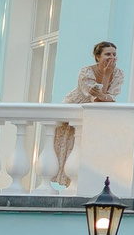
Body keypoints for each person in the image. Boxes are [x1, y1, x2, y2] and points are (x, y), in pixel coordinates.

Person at [50, 39, 119, 184]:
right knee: (70, 147)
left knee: (89, 150)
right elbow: (97, 99)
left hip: (96, 116)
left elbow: (108, 97)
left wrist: (104, 90)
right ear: (98, 57)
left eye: (114, 54)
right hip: (76, 108)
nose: (112, 58)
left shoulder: (118, 74)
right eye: (107, 54)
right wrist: (105, 81)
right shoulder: (86, 71)